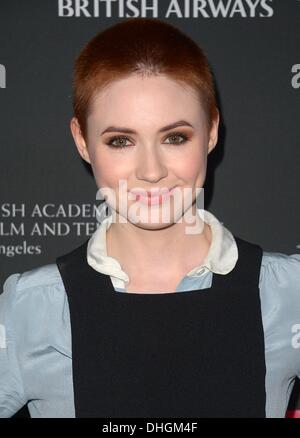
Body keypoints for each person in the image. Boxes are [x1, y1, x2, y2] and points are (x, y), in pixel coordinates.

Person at [0, 17, 299, 419]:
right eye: (120, 141)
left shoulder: (287, 295)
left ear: (211, 130)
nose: (152, 169)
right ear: (82, 141)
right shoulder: (30, 309)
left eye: (175, 137)